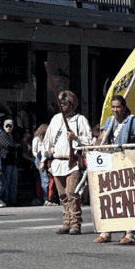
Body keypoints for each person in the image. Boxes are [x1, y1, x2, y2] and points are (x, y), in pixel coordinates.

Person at [41, 91, 92, 235]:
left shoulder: (79, 119)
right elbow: (48, 140)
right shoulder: (56, 119)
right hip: (57, 162)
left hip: (72, 162)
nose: (62, 105)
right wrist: (44, 159)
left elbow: (88, 140)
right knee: (63, 195)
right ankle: (67, 222)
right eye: (60, 102)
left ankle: (75, 223)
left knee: (72, 193)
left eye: (65, 102)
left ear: (72, 104)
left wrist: (76, 137)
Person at [94, 95, 135, 244]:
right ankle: (106, 232)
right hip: (111, 163)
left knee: (128, 199)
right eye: (113, 107)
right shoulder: (110, 121)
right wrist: (98, 144)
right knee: (109, 198)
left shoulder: (132, 121)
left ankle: (129, 233)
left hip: (128, 163)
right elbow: (102, 138)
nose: (115, 110)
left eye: (118, 107)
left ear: (124, 107)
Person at [0, 117, 20, 206]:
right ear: (4, 126)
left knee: (13, 183)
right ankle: (5, 200)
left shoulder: (12, 136)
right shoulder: (2, 135)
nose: (8, 128)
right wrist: (15, 145)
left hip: (13, 162)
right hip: (6, 162)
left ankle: (12, 200)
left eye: (10, 126)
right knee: (6, 183)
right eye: (6, 126)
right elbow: (8, 145)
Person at [31, 124, 51, 203]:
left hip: (45, 159)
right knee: (44, 179)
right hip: (39, 159)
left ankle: (46, 197)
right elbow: (34, 151)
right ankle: (45, 198)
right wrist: (38, 158)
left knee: (45, 178)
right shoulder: (36, 139)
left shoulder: (45, 139)